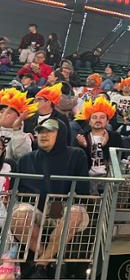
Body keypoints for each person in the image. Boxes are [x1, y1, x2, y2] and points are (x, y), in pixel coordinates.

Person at [11, 119, 89, 278]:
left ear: (61, 134)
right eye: (40, 131)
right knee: (18, 215)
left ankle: (41, 265)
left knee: (72, 214)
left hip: (68, 209)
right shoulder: (25, 160)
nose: (43, 135)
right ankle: (45, 259)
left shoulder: (76, 154)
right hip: (37, 212)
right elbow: (22, 194)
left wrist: (64, 204)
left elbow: (82, 191)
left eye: (49, 131)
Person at [74, 97, 123, 190]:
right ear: (89, 121)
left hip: (108, 177)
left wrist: (101, 146)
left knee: (128, 181)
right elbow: (79, 163)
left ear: (107, 121)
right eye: (94, 117)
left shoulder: (115, 137)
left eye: (102, 117)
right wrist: (85, 146)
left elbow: (120, 157)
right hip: (88, 178)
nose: (98, 120)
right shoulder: (81, 137)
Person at [0, 88, 35, 161]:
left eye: (8, 112)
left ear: (19, 116)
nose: (3, 115)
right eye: (1, 112)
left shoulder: (24, 137)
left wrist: (17, 131)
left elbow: (23, 158)